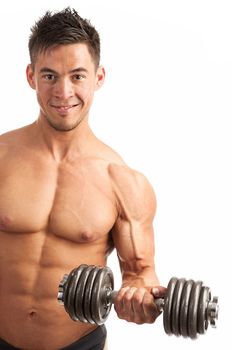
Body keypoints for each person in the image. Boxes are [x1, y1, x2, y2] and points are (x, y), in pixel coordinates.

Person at [0, 7, 166, 350]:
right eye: (49, 76)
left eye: (77, 76)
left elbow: (141, 277)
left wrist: (141, 301)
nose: (63, 93)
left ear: (98, 77)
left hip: (79, 344)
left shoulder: (122, 182)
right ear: (31, 76)